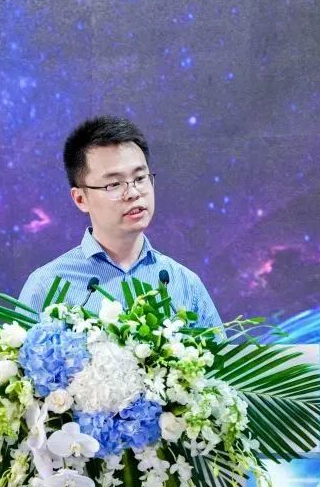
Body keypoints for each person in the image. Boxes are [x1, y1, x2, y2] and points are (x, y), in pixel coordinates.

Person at [18, 116, 223, 329]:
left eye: (140, 178)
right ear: (80, 199)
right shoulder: (48, 286)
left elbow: (218, 351)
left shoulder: (184, 284)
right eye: (114, 184)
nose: (133, 193)